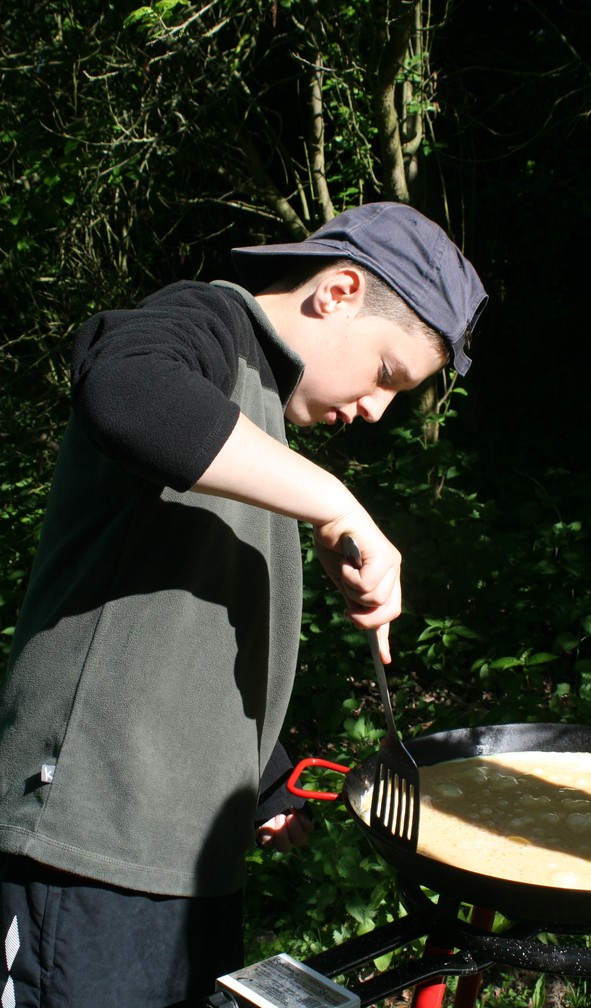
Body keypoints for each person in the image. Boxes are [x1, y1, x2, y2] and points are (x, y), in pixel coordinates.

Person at [0, 201, 487, 1007]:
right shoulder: (208, 324)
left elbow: (184, 632)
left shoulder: (258, 431)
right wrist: (336, 502)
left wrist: (261, 774)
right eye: (387, 373)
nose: (377, 410)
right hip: (85, 844)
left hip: (188, 862)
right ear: (338, 292)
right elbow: (124, 390)